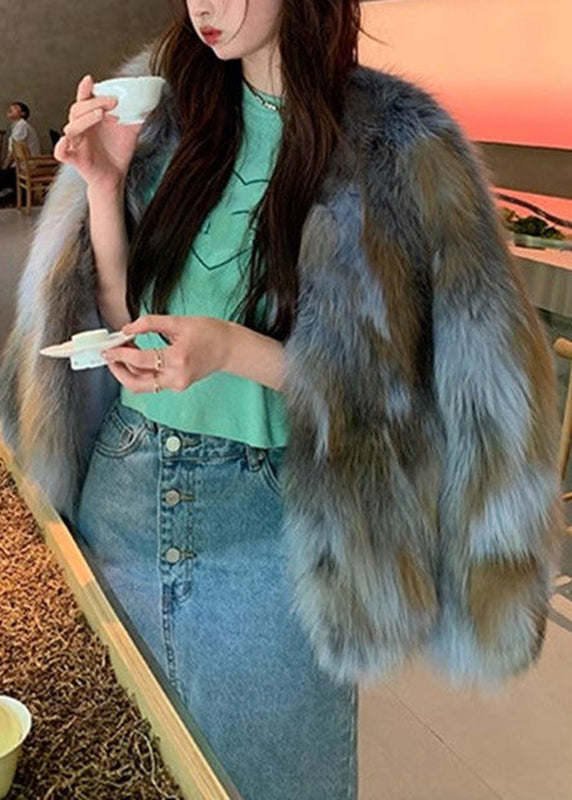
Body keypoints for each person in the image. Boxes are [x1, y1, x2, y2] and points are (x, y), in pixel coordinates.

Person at [0, 0, 565, 797]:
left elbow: (413, 394)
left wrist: (233, 350)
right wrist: (103, 182)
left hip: (271, 528)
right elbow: (130, 320)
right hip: (122, 497)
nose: (207, 5)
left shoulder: (399, 149)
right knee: (120, 772)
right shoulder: (172, 118)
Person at [0, 102, 41, 199]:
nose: (10, 109)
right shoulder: (17, 126)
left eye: (14, 108)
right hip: (20, 165)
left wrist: (5, 166)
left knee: (3, 175)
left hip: (26, 165)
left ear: (23, 113)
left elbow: (14, 150)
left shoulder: (22, 125)